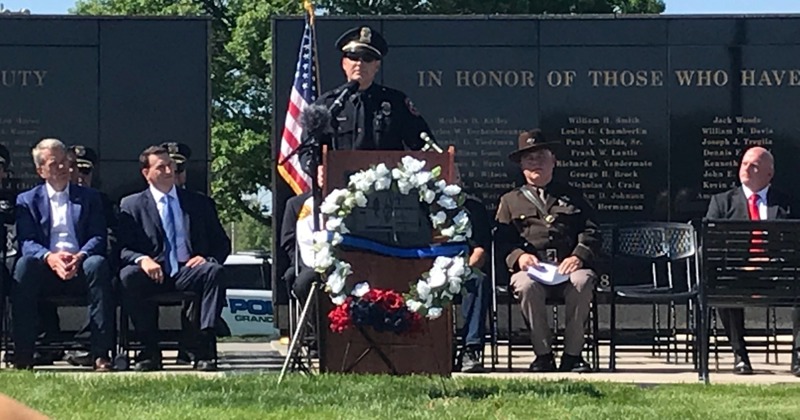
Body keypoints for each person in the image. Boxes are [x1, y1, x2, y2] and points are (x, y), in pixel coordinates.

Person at [495, 129, 600, 373]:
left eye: (541, 156)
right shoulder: (510, 201)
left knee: (582, 283)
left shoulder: (573, 195)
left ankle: (573, 356)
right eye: (530, 158)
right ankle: (543, 355)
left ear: (554, 160)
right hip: (532, 270)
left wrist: (578, 256)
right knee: (524, 286)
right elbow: (502, 240)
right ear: (521, 165)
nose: (536, 162)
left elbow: (592, 231)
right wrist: (519, 257)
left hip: (569, 267)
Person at [117, 145, 230, 371]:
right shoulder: (131, 205)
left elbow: (222, 244)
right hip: (152, 270)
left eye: (171, 165)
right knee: (128, 276)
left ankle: (203, 346)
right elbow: (120, 248)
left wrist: (206, 257)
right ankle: (149, 350)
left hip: (187, 269)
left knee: (213, 271)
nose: (169, 170)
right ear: (146, 173)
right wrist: (141, 259)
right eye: (161, 167)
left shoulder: (198, 203)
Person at [12, 138, 114, 371]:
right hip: (46, 267)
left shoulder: (89, 198)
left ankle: (100, 354)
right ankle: (24, 353)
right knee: (24, 266)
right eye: (54, 163)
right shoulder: (27, 201)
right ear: (40, 170)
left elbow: (98, 236)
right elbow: (26, 241)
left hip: (81, 265)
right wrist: (50, 257)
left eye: (65, 162)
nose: (62, 168)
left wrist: (80, 256)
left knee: (98, 264)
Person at [705, 146, 799, 376]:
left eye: (754, 165)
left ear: (769, 174)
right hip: (738, 275)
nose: (746, 168)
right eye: (744, 163)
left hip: (777, 275)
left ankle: (798, 355)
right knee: (721, 289)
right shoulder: (722, 202)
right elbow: (710, 243)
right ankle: (740, 356)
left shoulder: (787, 204)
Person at [300, 26, 433, 173]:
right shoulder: (327, 104)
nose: (360, 63)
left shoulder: (396, 102)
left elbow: (423, 145)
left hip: (388, 190)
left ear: (377, 65)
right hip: (338, 190)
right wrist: (317, 169)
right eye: (354, 57)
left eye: (367, 58)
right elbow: (307, 149)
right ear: (344, 63)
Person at [60, 144, 121, 368]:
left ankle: (90, 345)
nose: (80, 177)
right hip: (56, 263)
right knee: (27, 270)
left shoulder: (102, 201)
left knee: (102, 272)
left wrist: (85, 256)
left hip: (91, 262)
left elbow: (112, 236)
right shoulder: (46, 198)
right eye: (76, 169)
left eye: (86, 172)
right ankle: (44, 342)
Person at [456, 167, 493, 373]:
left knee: (479, 280)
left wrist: (464, 269)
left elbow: (480, 249)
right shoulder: (420, 204)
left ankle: (471, 349)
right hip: (428, 270)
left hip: (464, 269)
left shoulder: (473, 207)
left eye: (456, 175)